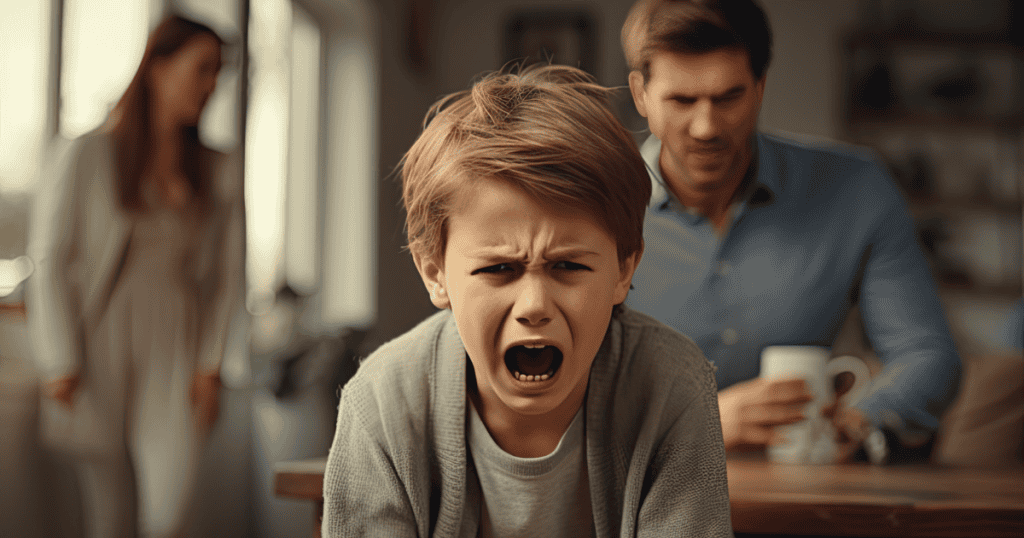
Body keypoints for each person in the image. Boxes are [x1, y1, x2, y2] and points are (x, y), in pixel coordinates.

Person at [321, 64, 732, 537]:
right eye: (499, 269)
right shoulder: (382, 402)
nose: (534, 305)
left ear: (623, 269)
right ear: (435, 273)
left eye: (568, 266)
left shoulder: (673, 386)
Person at [620, 0, 961, 462]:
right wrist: (701, 421)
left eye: (728, 98)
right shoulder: (594, 203)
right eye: (682, 100)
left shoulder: (856, 190)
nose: (706, 127)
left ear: (760, 87)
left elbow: (926, 353)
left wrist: (864, 419)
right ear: (641, 94)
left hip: (804, 494)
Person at [26, 15, 244, 538]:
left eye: (219, 72)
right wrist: (60, 360)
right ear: (158, 68)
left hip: (178, 345)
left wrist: (212, 366)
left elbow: (228, 277)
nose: (212, 85)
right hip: (97, 342)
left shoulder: (218, 170)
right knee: (110, 518)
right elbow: (50, 260)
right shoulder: (86, 153)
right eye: (202, 68)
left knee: (168, 514)